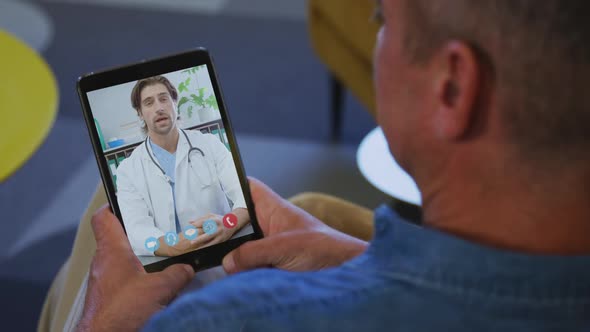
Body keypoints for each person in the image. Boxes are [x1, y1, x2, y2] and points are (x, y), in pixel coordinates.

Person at [43, 0, 590, 330]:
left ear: (451, 87)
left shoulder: (230, 321)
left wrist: (104, 324)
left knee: (85, 267)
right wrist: (357, 260)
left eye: (383, 19)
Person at [116, 75, 251, 257]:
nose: (159, 107)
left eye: (164, 99)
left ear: (175, 103)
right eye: (149, 103)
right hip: (169, 264)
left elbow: (245, 192)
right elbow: (137, 232)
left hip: (224, 249)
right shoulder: (127, 170)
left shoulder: (209, 144)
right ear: (140, 113)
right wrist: (178, 248)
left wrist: (229, 223)